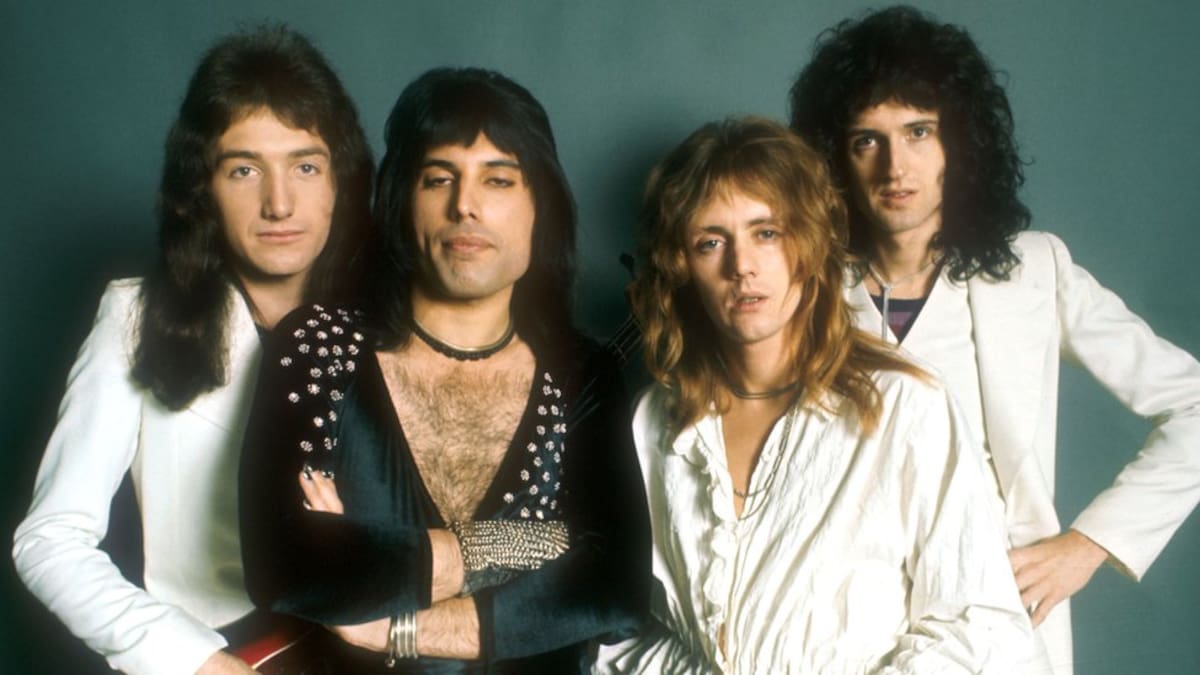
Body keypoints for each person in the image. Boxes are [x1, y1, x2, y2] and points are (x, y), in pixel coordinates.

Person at [789, 6, 1200, 674]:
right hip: (844, 636)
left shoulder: (1035, 271)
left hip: (1001, 629)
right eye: (867, 140)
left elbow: (1194, 404)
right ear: (834, 157)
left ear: (959, 141)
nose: (895, 166)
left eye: (919, 132)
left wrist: (1087, 545)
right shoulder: (797, 290)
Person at [238, 67, 649, 673]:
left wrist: (390, 624)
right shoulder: (322, 345)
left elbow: (614, 589)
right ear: (402, 202)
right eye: (438, 178)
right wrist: (507, 546)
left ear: (541, 210)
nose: (465, 206)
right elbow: (283, 563)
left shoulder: (582, 374)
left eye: (499, 179)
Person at [597, 117, 1030, 673]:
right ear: (682, 267)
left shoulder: (905, 404)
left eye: (766, 233)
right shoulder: (656, 420)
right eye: (711, 242)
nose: (741, 266)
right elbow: (641, 630)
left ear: (809, 243)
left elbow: (981, 627)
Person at [11, 26, 373, 675]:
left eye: (305, 166)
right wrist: (199, 662)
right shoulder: (138, 316)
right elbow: (50, 540)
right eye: (244, 170)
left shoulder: (389, 323)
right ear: (203, 187)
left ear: (339, 181)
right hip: (228, 652)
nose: (279, 202)